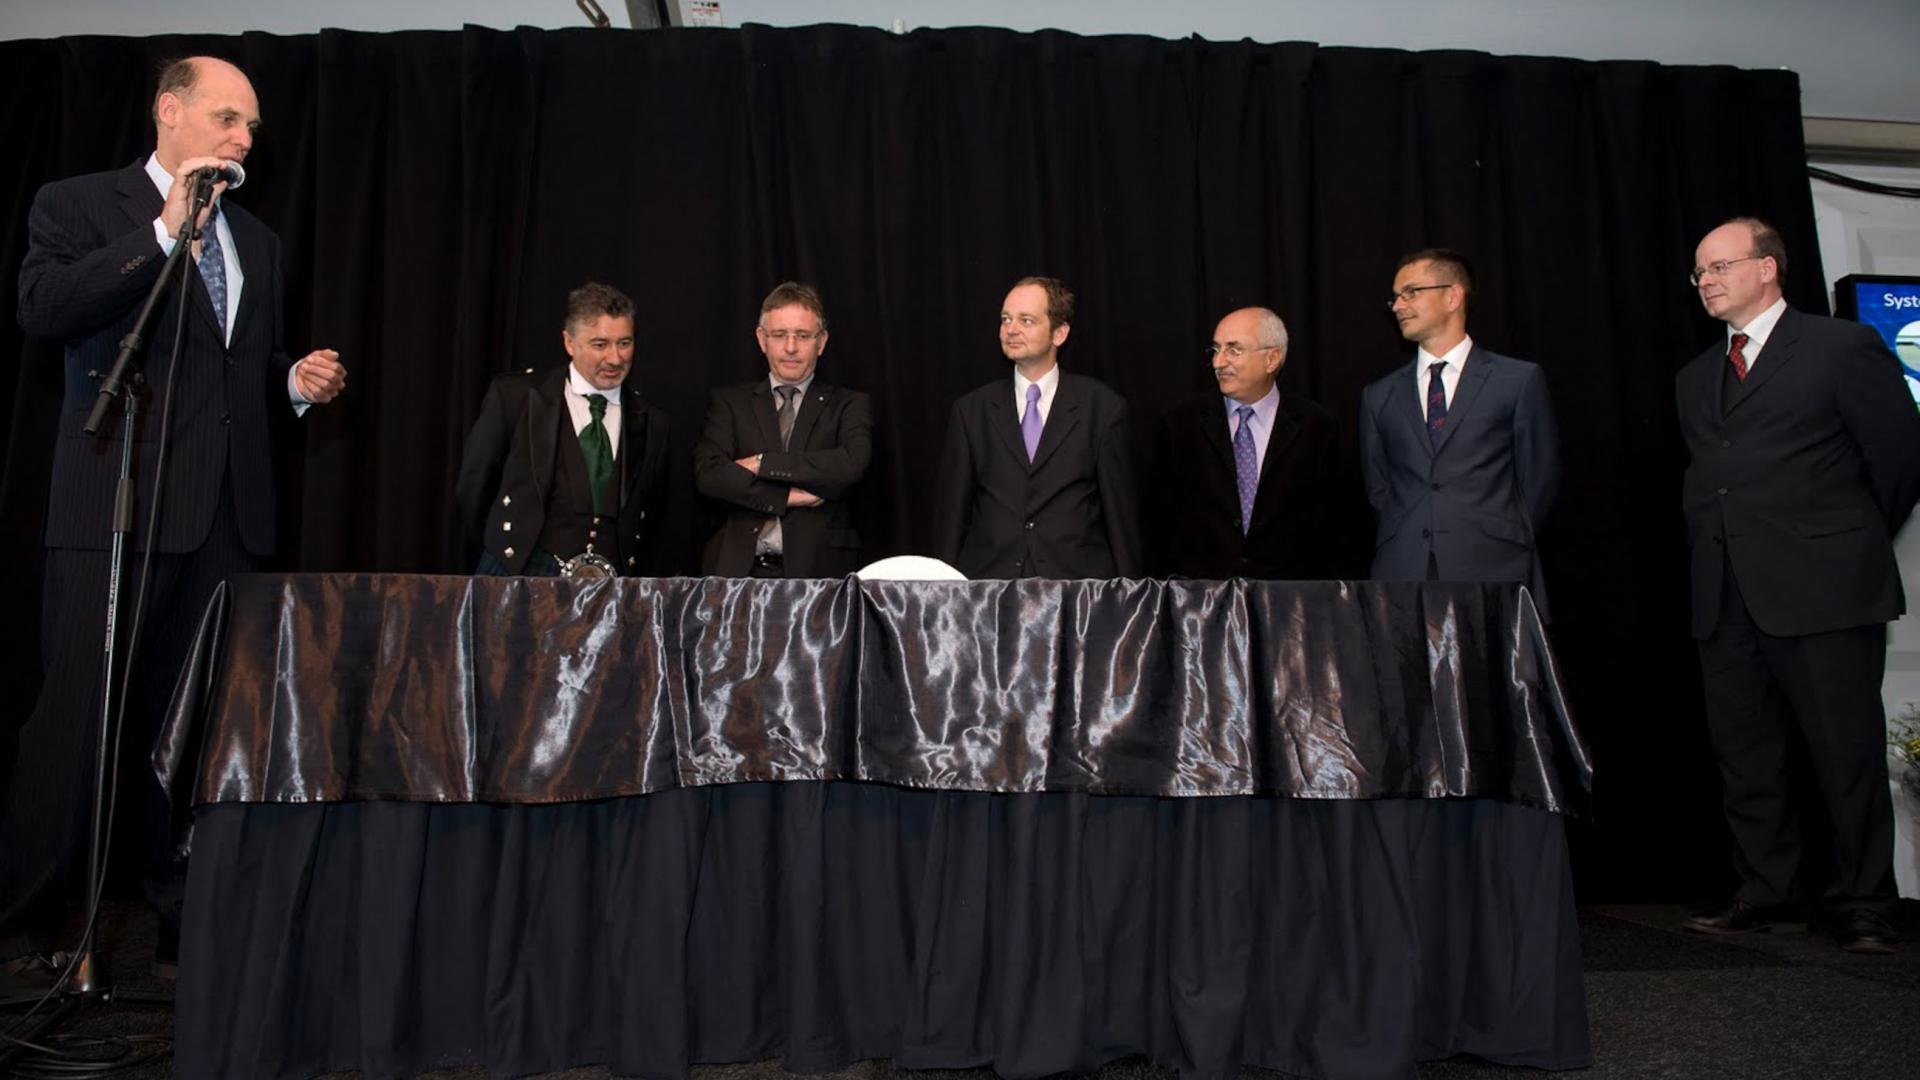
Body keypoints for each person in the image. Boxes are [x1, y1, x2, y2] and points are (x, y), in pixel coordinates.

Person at [1, 56, 347, 979]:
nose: (243, 140)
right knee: (76, 722)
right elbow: (45, 307)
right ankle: (27, 929)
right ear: (170, 111)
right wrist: (161, 233)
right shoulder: (78, 205)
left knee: (191, 731)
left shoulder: (259, 243)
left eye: (251, 128)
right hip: (114, 508)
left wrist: (291, 383)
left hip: (224, 520)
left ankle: (178, 924)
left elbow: (238, 372)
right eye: (229, 119)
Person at [1677, 217, 1920, 953]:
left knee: (1844, 753)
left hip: (1826, 590)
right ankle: (1767, 889)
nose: (1707, 281)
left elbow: (1900, 460)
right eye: (1699, 272)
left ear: (1768, 268)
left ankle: (1866, 905)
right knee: (1746, 754)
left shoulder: (1841, 347)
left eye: (1720, 266)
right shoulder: (1695, 376)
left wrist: (1838, 545)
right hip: (1726, 593)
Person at [1358, 248, 1559, 614]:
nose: (1398, 305)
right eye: (1396, 296)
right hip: (1403, 572)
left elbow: (1539, 479)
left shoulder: (1517, 380)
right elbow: (1379, 488)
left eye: (1411, 292)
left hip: (1495, 568)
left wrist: (1495, 531)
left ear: (1453, 296)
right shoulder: (1378, 395)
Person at [454, 282, 670, 577]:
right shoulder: (516, 397)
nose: (615, 358)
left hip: (611, 588)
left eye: (624, 343)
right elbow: (474, 487)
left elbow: (654, 518)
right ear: (569, 343)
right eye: (599, 344)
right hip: (519, 573)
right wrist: (501, 550)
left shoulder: (652, 421)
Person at [933, 276, 1142, 579]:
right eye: (1006, 319)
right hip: (989, 590)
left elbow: (1120, 516)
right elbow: (951, 515)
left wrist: (1130, 594)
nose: (1011, 329)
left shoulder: (1102, 408)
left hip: (1077, 590)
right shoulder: (971, 410)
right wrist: (943, 589)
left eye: (1026, 320)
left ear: (1059, 333)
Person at [692, 282, 872, 578]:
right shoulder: (729, 403)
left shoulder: (849, 405)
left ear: (822, 341)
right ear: (762, 340)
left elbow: (849, 466)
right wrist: (788, 496)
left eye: (802, 336)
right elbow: (710, 477)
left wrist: (761, 463)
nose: (790, 348)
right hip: (737, 572)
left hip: (819, 575)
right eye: (779, 335)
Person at [1151, 306, 1342, 579]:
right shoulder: (1181, 425)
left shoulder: (1317, 428)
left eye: (1234, 349)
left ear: (1272, 358)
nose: (1218, 362)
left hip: (1292, 602)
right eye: (1215, 350)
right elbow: (1160, 523)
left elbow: (1337, 527)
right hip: (1201, 603)